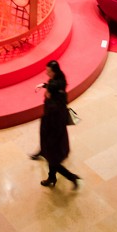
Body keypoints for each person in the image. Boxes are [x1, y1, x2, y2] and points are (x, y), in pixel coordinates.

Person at [35, 61, 80, 190]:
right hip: (56, 136)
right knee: (52, 160)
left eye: (48, 71)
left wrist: (48, 142)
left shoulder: (53, 108)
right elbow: (53, 85)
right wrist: (45, 85)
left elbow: (51, 127)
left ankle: (71, 177)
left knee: (53, 161)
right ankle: (52, 177)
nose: (46, 73)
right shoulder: (59, 86)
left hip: (53, 138)